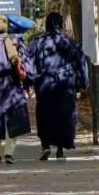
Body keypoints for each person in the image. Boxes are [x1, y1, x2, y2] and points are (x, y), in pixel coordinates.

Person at [26, 12, 87, 161]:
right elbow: (81, 63)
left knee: (45, 115)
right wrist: (83, 83)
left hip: (45, 83)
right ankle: (60, 149)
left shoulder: (37, 41)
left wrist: (28, 82)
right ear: (61, 24)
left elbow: (27, 62)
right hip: (66, 83)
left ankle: (45, 145)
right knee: (64, 116)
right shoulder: (69, 43)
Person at [0, 14, 30, 164]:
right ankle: (9, 153)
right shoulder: (16, 41)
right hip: (14, 85)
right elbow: (25, 64)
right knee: (13, 119)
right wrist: (28, 85)